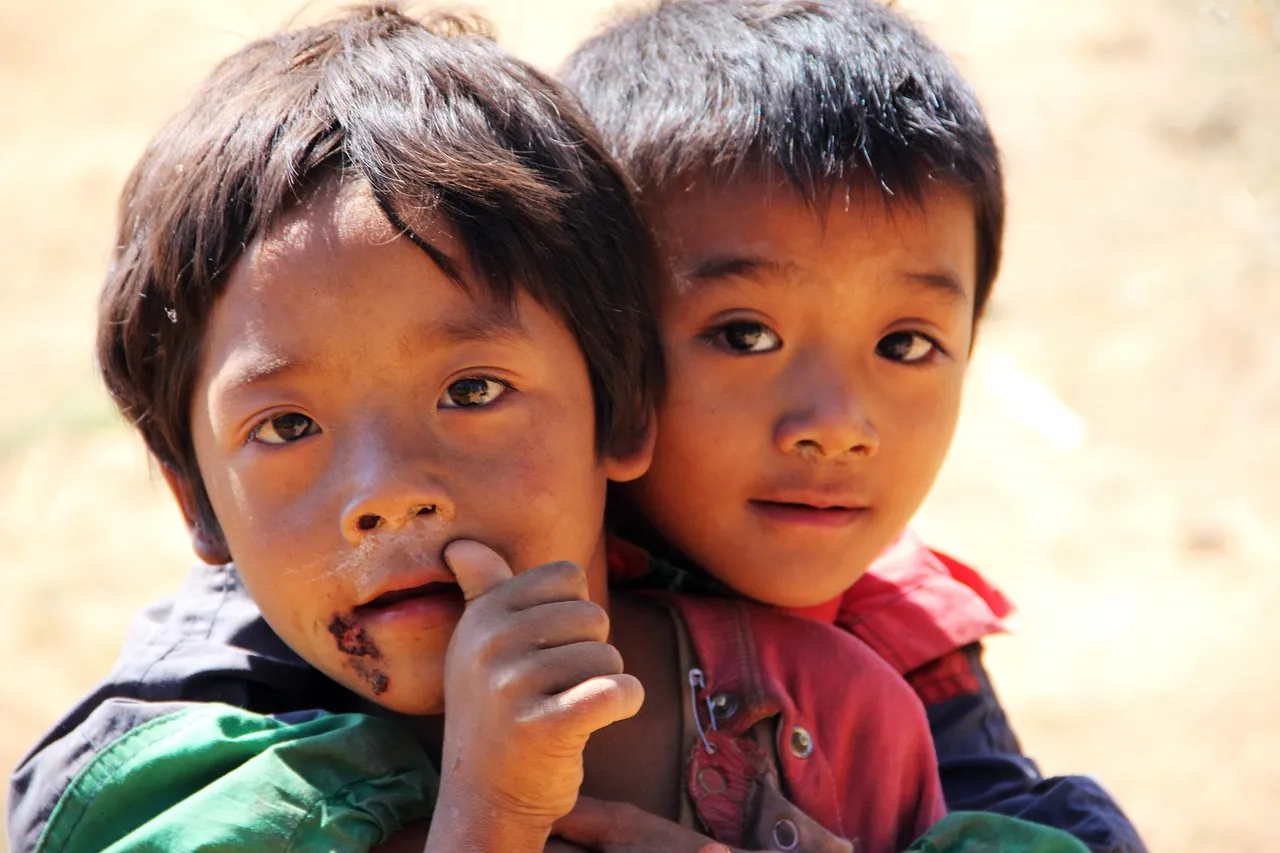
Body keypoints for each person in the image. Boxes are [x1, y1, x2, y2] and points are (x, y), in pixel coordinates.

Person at [6, 7, 956, 852]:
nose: (387, 493)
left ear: (623, 409)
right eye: (287, 424)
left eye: (472, 390)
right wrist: (489, 816)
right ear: (198, 502)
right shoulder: (188, 801)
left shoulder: (828, 716)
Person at [559, 2, 1146, 852]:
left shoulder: (904, 641)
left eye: (905, 344)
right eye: (745, 335)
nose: (837, 427)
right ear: (598, 337)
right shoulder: (494, 583)